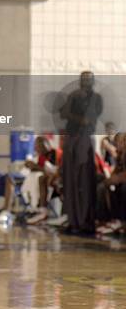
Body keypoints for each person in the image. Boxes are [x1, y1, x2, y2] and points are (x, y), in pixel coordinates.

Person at [60, 70, 103, 235]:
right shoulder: (73, 95)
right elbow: (63, 113)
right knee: (70, 181)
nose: (85, 81)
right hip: (72, 139)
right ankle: (73, 220)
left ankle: (85, 220)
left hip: (85, 140)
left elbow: (89, 119)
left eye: (88, 79)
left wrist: (75, 116)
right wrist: (75, 114)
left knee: (84, 182)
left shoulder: (96, 98)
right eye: (83, 79)